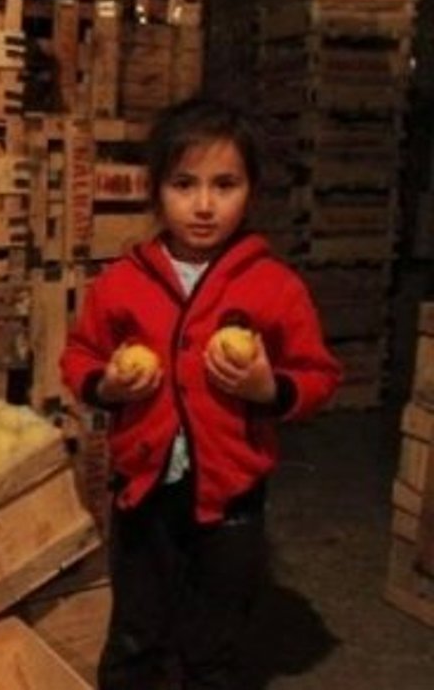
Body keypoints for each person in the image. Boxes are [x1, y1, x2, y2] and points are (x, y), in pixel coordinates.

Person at [59, 98, 342, 690]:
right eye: (184, 184)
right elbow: (79, 354)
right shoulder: (123, 283)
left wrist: (268, 388)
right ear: (156, 191)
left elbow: (319, 375)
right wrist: (107, 384)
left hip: (232, 495)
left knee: (214, 638)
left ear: (251, 191)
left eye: (225, 185)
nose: (205, 205)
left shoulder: (274, 286)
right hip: (143, 490)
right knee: (136, 629)